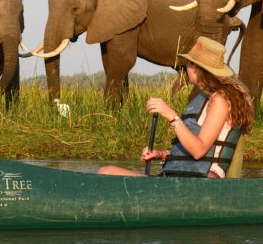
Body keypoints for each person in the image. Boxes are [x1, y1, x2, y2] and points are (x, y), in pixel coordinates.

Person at [98, 36, 253, 178]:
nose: (186, 67)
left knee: (106, 173)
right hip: (183, 178)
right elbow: (191, 152)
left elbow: (199, 151)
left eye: (189, 63)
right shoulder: (206, 98)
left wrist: (171, 116)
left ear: (196, 68)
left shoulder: (220, 100)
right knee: (106, 171)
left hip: (200, 181)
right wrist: (161, 154)